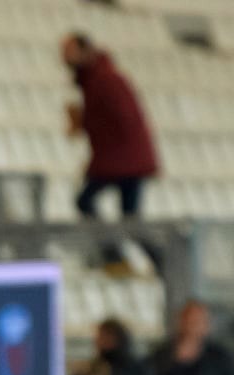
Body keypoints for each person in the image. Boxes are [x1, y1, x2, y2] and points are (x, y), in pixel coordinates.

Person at [62, 32, 159, 267]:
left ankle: (121, 258)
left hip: (123, 162)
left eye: (69, 52)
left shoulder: (105, 80)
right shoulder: (97, 80)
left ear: (84, 51)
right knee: (128, 218)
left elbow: (120, 121)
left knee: (90, 203)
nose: (64, 58)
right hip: (123, 161)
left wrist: (85, 125)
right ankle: (142, 260)